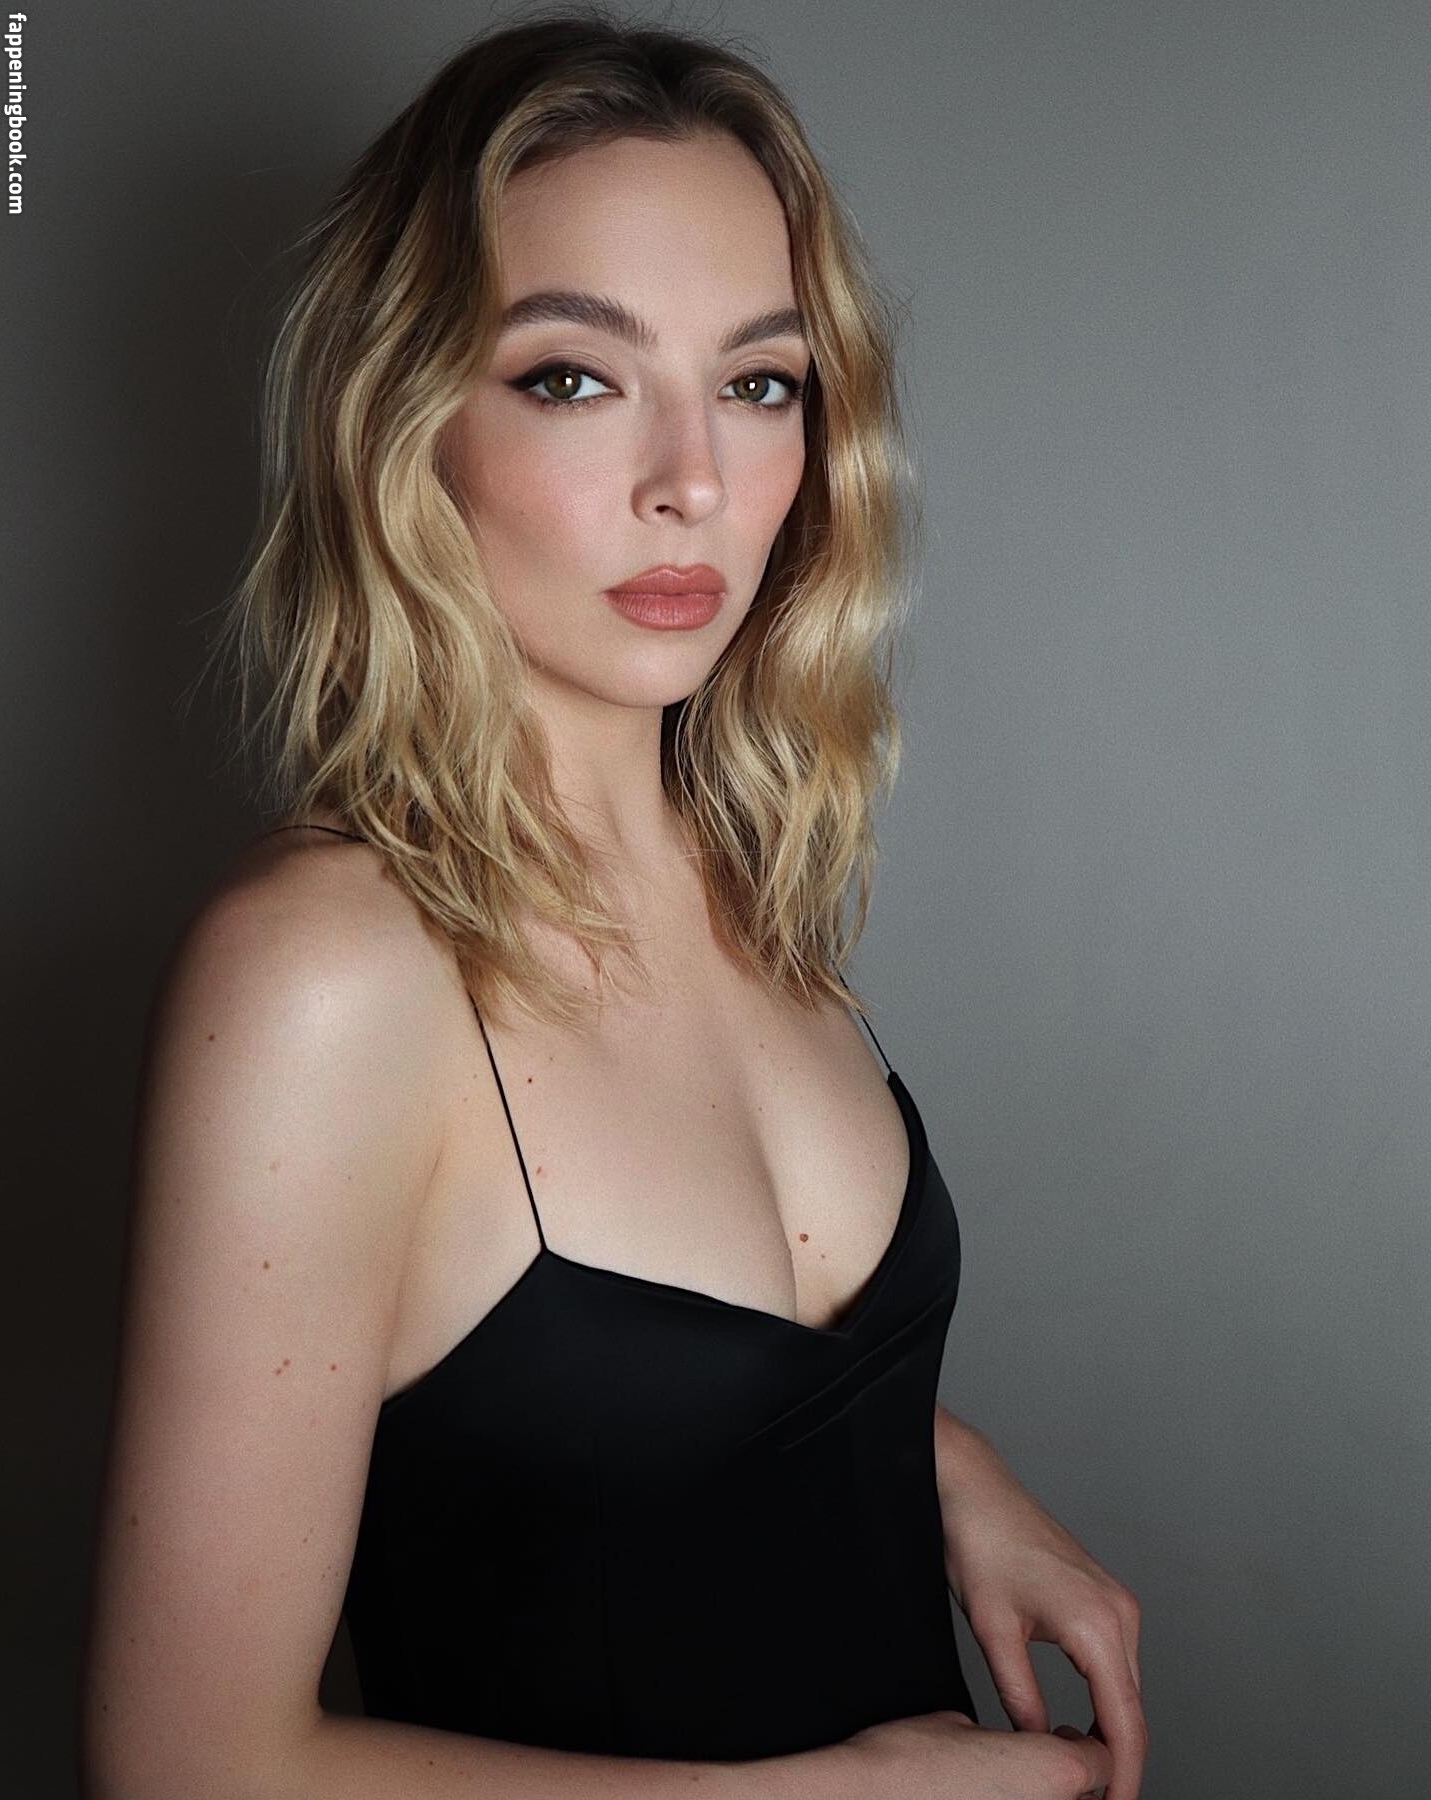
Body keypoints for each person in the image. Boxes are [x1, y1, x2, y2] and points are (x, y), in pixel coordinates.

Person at [79, 9, 1146, 1798]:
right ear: (407, 421)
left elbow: (608, 1412)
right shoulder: (324, 978)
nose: (694, 483)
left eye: (759, 383)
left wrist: (936, 1457)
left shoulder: (748, 868)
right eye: (574, 377)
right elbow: (181, 1763)